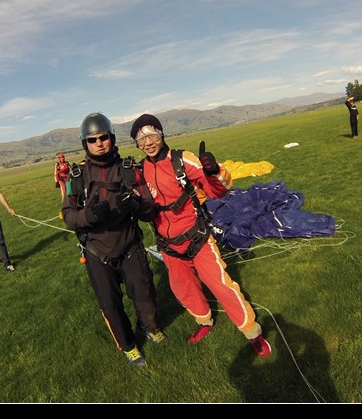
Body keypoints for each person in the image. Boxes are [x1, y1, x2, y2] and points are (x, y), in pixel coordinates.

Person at [130, 113, 272, 359]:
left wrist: (214, 171)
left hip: (197, 236)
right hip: (168, 244)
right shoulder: (140, 170)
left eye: (152, 135)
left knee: (220, 284)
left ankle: (252, 332)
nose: (148, 143)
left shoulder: (182, 160)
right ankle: (204, 321)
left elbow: (218, 191)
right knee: (183, 288)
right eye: (141, 140)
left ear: (161, 135)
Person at [61, 112, 165, 368]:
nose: (99, 143)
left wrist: (135, 205)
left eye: (104, 137)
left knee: (145, 294)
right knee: (110, 305)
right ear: (85, 143)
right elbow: (68, 216)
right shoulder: (77, 177)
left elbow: (149, 212)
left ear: (112, 137)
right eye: (93, 139)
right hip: (97, 251)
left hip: (129, 244)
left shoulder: (129, 171)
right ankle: (128, 346)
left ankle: (149, 328)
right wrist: (89, 215)